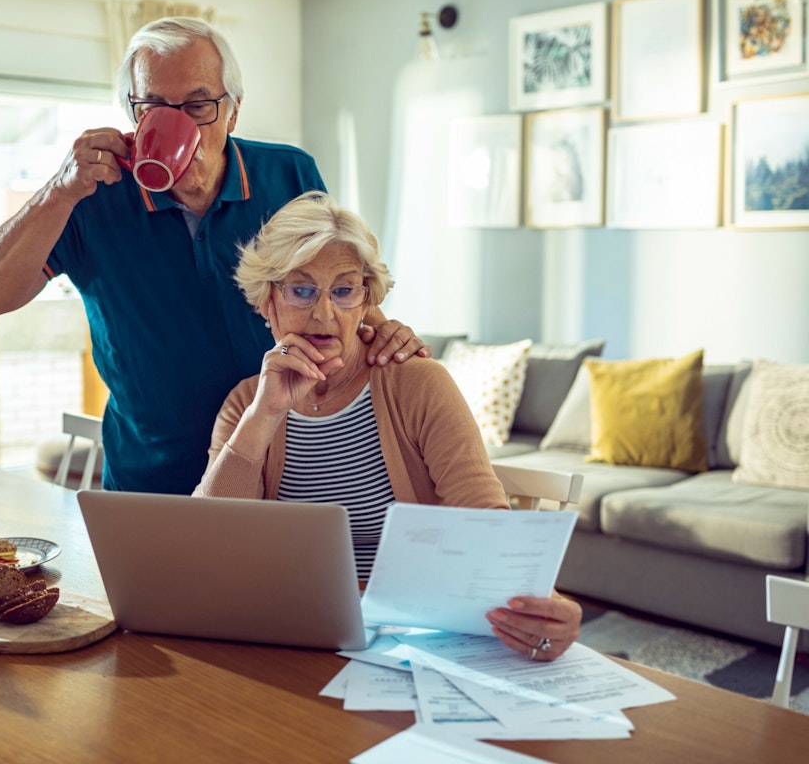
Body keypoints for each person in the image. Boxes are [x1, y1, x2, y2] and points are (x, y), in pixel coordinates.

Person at [0, 17, 428, 494]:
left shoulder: (288, 174)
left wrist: (380, 329)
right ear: (133, 113)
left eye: (198, 104)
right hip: (150, 482)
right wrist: (57, 192)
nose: (178, 123)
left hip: (283, 470)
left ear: (233, 112)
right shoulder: (90, 195)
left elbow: (336, 288)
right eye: (153, 106)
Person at [193, 191, 581, 661]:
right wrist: (265, 414)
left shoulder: (416, 383)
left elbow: (483, 519)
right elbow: (210, 550)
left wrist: (542, 609)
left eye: (343, 290)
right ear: (266, 302)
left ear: (366, 301)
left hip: (408, 641)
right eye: (301, 289)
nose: (324, 314)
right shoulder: (245, 405)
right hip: (290, 640)